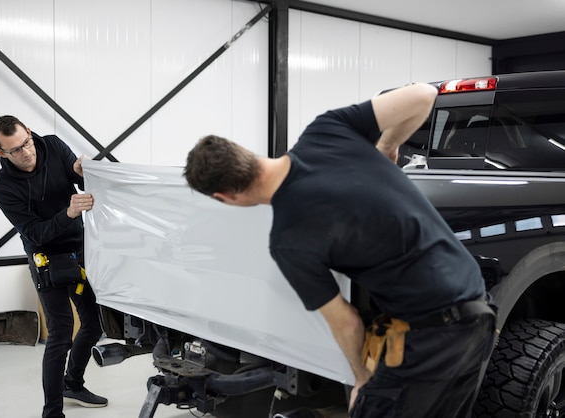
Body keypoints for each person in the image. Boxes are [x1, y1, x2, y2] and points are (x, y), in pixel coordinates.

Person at [183, 83, 497, 418]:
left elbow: (346, 322)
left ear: (225, 197)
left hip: (428, 340)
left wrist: (360, 380)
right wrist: (387, 148)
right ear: (246, 152)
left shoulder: (288, 240)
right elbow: (423, 95)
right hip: (480, 316)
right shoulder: (325, 130)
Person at [0, 116, 107, 418]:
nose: (26, 152)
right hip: (45, 258)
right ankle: (52, 412)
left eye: (26, 142)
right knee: (60, 333)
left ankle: (73, 383)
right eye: (14, 150)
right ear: (0, 153)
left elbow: (82, 181)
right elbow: (35, 233)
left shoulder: (53, 145)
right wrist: (68, 212)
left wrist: (84, 172)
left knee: (94, 324)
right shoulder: (3, 188)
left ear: (29, 132)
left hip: (79, 249)